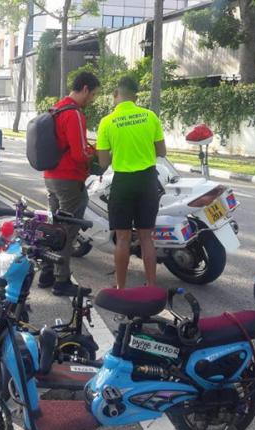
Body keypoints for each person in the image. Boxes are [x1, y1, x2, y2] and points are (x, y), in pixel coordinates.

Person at [95, 76, 166, 288]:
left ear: (116, 94)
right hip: (147, 181)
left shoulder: (107, 122)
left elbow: (104, 162)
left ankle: (120, 287)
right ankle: (152, 285)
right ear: (136, 96)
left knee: (123, 238)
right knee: (146, 238)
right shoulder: (150, 116)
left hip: (123, 182)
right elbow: (161, 151)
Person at [39, 71, 100, 296]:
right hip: (69, 179)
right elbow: (79, 154)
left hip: (51, 176)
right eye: (92, 95)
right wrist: (95, 154)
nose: (92, 100)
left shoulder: (57, 108)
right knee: (67, 231)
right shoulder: (74, 113)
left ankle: (46, 272)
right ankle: (61, 280)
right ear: (85, 89)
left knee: (53, 227)